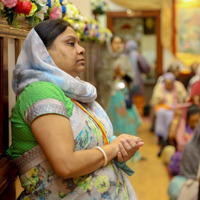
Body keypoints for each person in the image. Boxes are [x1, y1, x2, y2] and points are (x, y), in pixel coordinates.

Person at [6, 19, 144, 199]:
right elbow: (66, 165)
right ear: (43, 52)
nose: (81, 49)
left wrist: (120, 149)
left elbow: (93, 146)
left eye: (79, 43)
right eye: (71, 43)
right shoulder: (41, 91)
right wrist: (112, 149)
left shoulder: (72, 92)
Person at [97, 35, 142, 161]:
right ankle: (114, 151)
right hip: (110, 96)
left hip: (123, 94)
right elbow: (101, 78)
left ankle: (131, 150)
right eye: (115, 43)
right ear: (110, 44)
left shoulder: (124, 59)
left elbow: (131, 78)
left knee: (128, 123)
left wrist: (122, 74)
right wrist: (113, 74)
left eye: (120, 43)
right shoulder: (105, 59)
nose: (118, 45)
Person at [150, 72, 187, 156]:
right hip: (163, 109)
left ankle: (169, 140)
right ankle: (162, 138)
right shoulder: (159, 87)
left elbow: (184, 97)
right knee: (162, 113)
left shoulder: (178, 86)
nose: (169, 85)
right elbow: (154, 101)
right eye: (167, 84)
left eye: (170, 84)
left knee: (173, 117)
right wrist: (160, 101)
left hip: (176, 110)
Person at [124, 40, 151, 117]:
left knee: (127, 108)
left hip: (126, 87)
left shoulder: (123, 56)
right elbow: (147, 68)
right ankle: (137, 127)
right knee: (138, 107)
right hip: (138, 87)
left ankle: (129, 127)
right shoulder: (138, 56)